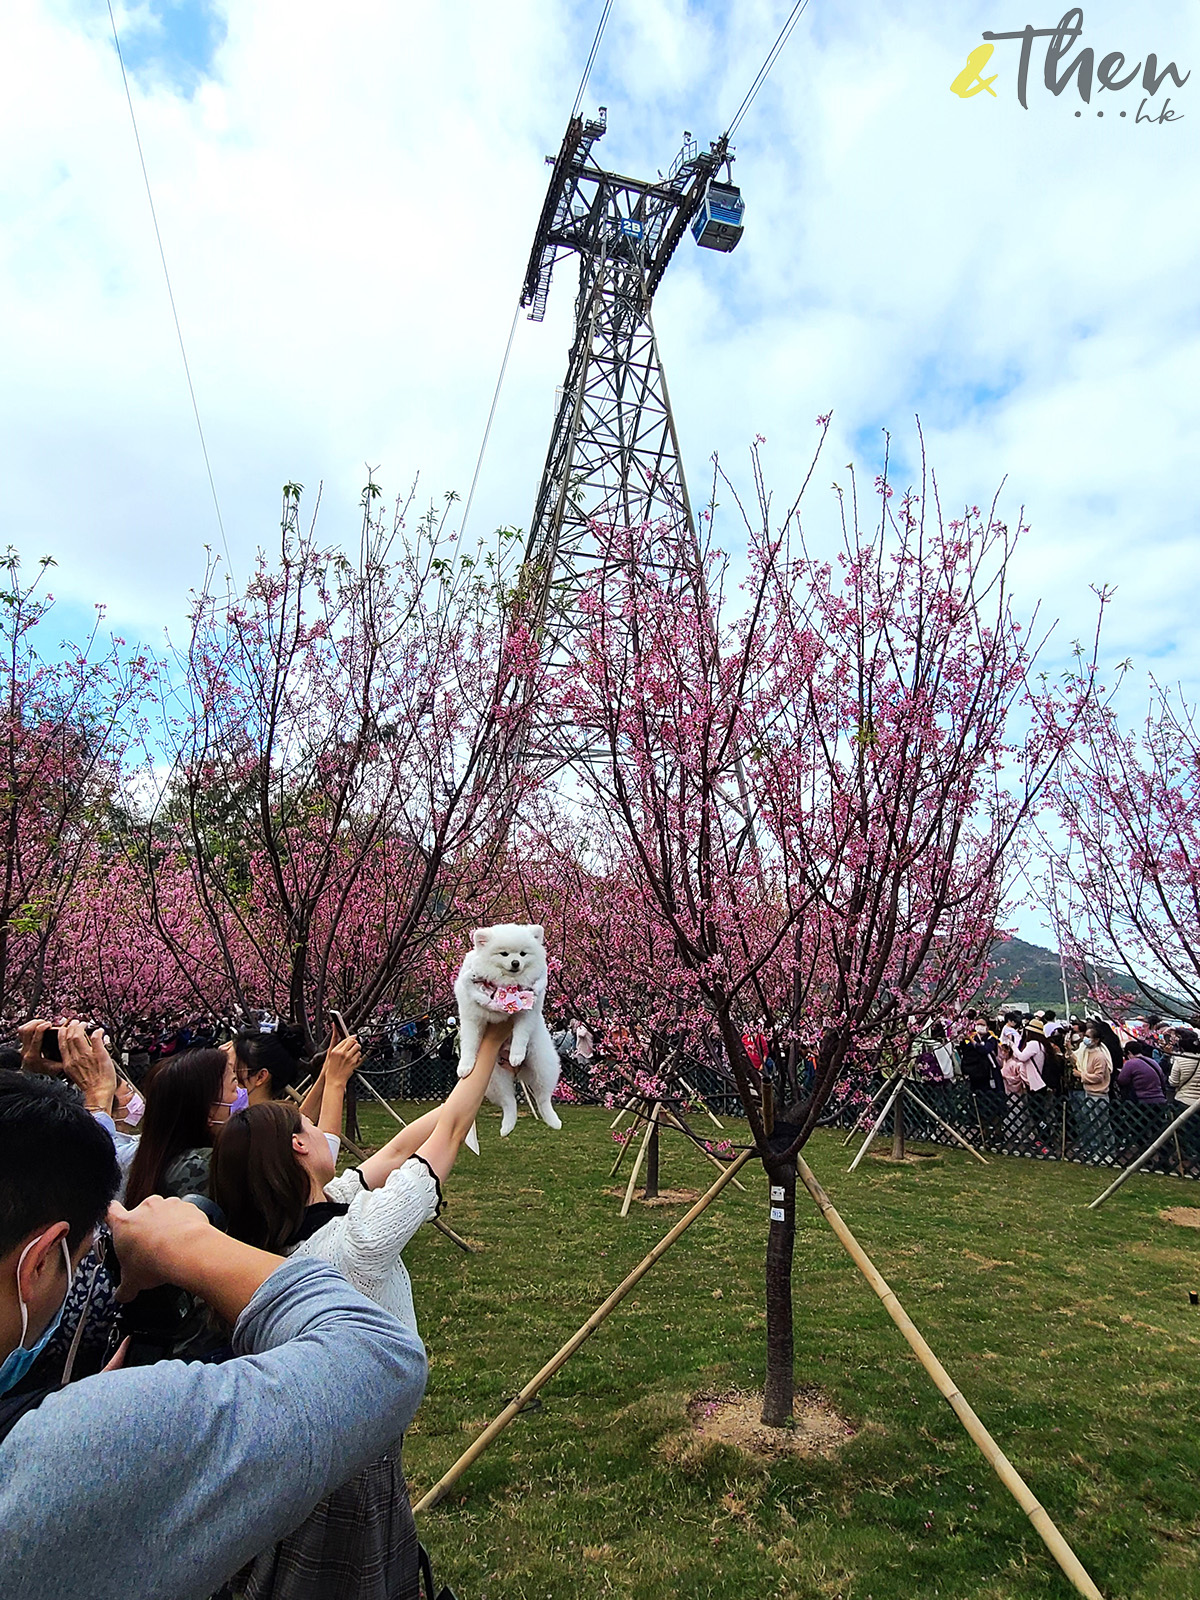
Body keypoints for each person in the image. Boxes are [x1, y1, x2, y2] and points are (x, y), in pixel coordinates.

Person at [0, 1070, 428, 1600]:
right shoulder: (63, 1456)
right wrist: (189, 1247)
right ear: (38, 1263)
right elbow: (378, 1356)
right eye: (79, 1262)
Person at [210, 1016, 514, 1600]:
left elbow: (403, 1146)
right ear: (300, 1148)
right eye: (308, 1123)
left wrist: (484, 1075)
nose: (320, 1128)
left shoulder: (318, 1215)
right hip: (360, 1456)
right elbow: (445, 1138)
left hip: (332, 1437)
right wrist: (493, 1042)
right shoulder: (358, 1240)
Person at [124, 1047, 241, 1209]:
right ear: (208, 1111)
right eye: (234, 1087)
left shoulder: (154, 1156)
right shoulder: (208, 1165)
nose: (242, 1094)